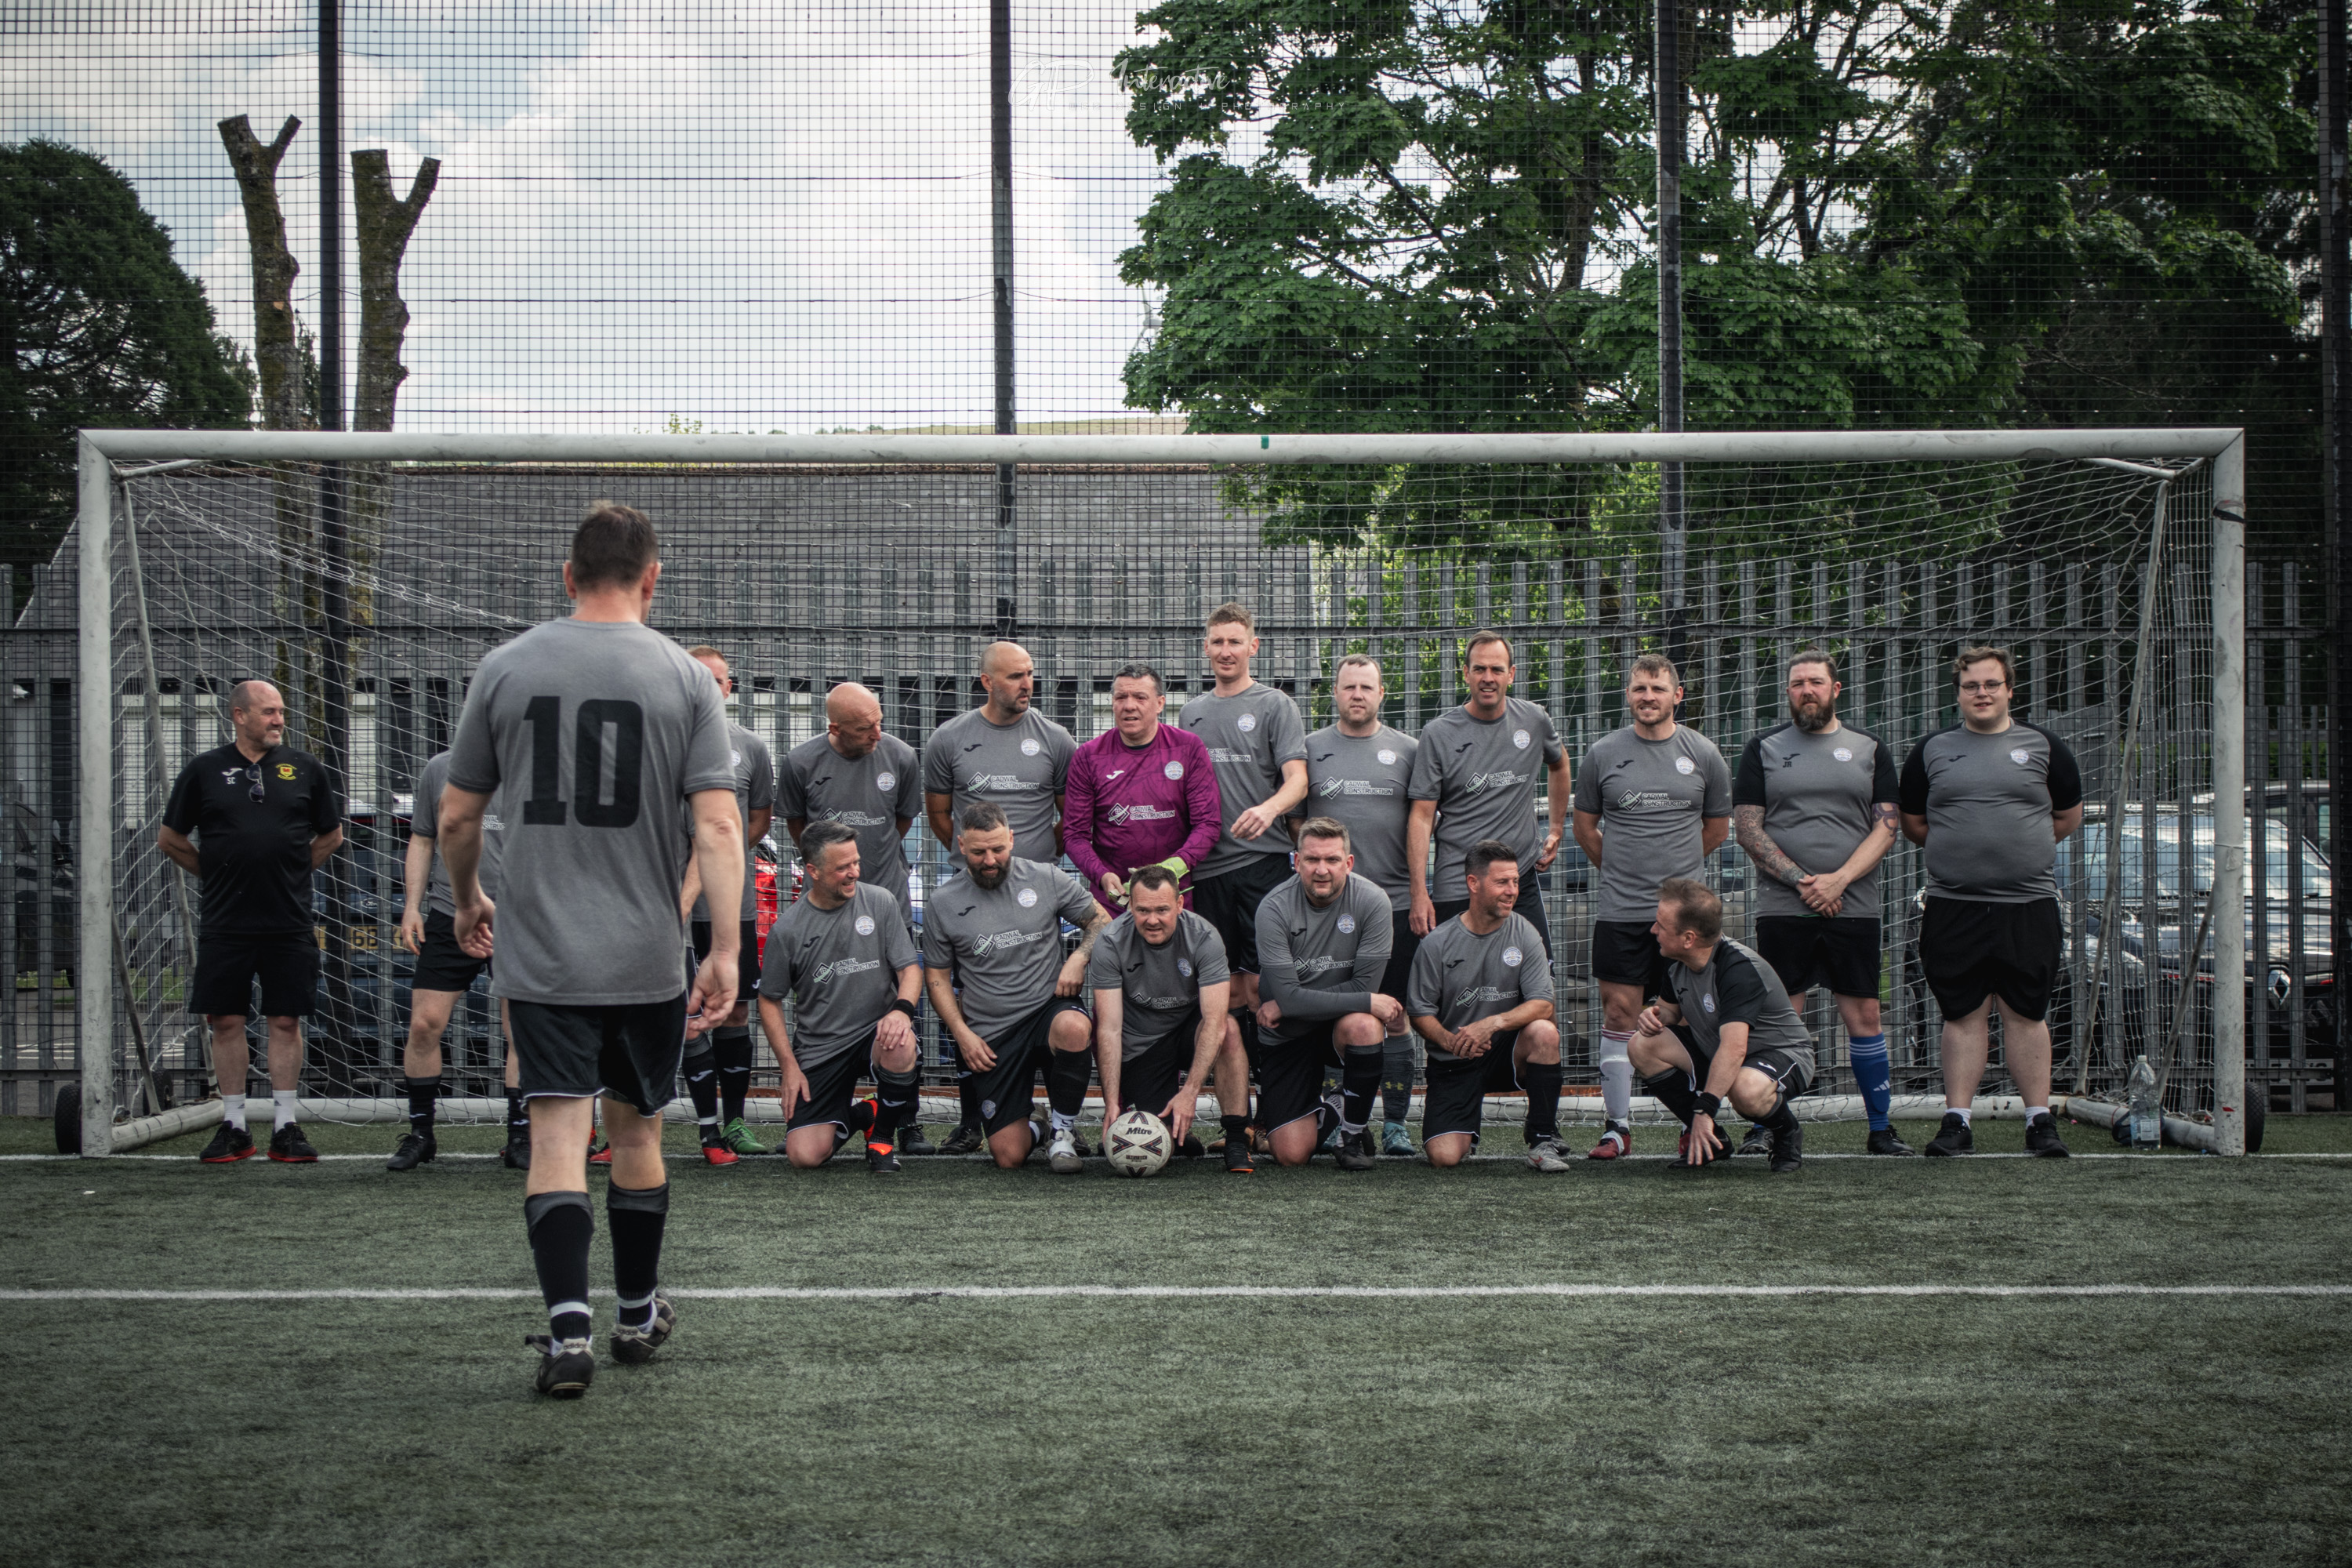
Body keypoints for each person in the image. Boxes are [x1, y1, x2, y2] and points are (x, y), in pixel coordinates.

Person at [438, 500, 743, 1399]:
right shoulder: (686, 677)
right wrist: (724, 948)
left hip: (542, 957)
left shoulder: (505, 665)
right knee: (639, 1133)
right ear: (654, 578)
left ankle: (568, 1334)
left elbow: (457, 812)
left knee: (557, 1138)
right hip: (648, 954)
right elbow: (720, 824)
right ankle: (639, 1313)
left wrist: (466, 900)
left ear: (567, 577)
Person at [1898, 646, 2085, 1158]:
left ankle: (2039, 1121)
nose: (1981, 693)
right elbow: (1915, 823)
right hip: (1953, 904)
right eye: (1971, 686)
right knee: (1962, 1012)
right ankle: (1957, 1122)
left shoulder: (2044, 746)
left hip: (2028, 904)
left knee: (2027, 1010)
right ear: (1957, 694)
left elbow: (2067, 817)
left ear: (2008, 689)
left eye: (1991, 684)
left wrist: (2019, 849)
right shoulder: (1932, 750)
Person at [1731, 648, 1908, 1156]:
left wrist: (1840, 881)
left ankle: (1880, 1128)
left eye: (1815, 682)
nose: (1806, 690)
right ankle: (1767, 1124)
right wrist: (1805, 881)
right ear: (1788, 693)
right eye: (1797, 683)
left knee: (1866, 1018)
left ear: (1835, 689)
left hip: (1854, 907)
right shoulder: (1762, 748)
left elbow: (1887, 825)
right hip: (1783, 909)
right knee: (1781, 1019)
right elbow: (1747, 828)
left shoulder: (1869, 748)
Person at [158, 679, 343, 1165]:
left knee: (285, 1019)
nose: (279, 720)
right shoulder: (204, 770)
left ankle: (286, 1126)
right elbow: (170, 838)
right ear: (239, 716)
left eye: (281, 711)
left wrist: (290, 871)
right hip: (226, 921)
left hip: (289, 920)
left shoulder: (306, 769)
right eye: (268, 712)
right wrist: (216, 873)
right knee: (226, 1020)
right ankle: (234, 1125)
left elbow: (331, 835)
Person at [1570, 653, 1732, 1161]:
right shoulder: (1602, 754)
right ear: (1628, 695)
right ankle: (1617, 1127)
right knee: (1620, 1013)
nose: (1648, 697)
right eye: (1639, 688)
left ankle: (1694, 1120)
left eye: (1658, 689)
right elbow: (1585, 827)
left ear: (1677, 696)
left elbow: (1717, 829)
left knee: (1687, 1020)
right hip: (1621, 911)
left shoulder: (1704, 754)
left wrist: (1677, 886)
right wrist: (1620, 870)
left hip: (1684, 921)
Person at [924, 641, 1076, 1153]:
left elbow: (1066, 817)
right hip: (975, 891)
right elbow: (940, 814)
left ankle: (1061, 1123)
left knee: (1045, 1000)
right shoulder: (950, 739)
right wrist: (975, 856)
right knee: (970, 1000)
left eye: (1030, 674)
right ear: (987, 681)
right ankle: (974, 1118)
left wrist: (1032, 861)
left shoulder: (1055, 740)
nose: (1026, 684)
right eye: (1014, 676)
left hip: (1033, 895)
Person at [779, 679, 928, 1150]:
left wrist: (868, 874)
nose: (877, 734)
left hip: (885, 898)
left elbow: (900, 823)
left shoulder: (901, 757)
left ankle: (906, 1121)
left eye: (880, 722)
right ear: (834, 728)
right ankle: (849, 1109)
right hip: (827, 904)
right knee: (834, 992)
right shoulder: (801, 763)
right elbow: (803, 832)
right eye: (866, 728)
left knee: (899, 1010)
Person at [921, 802, 1111, 1173]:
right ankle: (1038, 1125)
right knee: (1009, 1157)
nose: (990, 859)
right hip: (993, 1030)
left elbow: (1100, 920)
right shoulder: (943, 902)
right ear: (961, 845)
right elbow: (937, 978)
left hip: (1047, 1009)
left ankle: (1063, 1133)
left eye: (998, 848)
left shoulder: (1046, 877)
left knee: (1075, 1028)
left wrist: (1078, 958)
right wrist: (962, 1035)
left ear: (1012, 839)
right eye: (978, 852)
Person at [1174, 603, 1309, 1099]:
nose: (1226, 651)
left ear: (1253, 646)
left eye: (1235, 641)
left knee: (1263, 989)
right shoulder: (1192, 712)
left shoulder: (1275, 705)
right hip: (1207, 872)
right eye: (1217, 642)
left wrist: (1269, 809)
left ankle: (1277, 1104)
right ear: (1205, 648)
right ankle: (1237, 1109)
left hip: (1262, 867)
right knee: (1220, 990)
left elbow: (1298, 780)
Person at [1302, 654, 1421, 1155]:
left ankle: (1395, 1125)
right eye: (1348, 687)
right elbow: (1296, 821)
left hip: (1393, 904)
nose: (1357, 695)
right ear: (1335, 692)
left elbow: (1425, 822)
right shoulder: (1309, 749)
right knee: (1339, 1014)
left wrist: (1419, 893)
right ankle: (1339, 1118)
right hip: (1327, 910)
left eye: (1366, 687)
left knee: (1395, 1015)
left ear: (1381, 693)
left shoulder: (1410, 751)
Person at [758, 822, 924, 1174]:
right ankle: (866, 1112)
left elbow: (909, 969)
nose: (854, 873)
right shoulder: (787, 930)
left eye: (856, 863)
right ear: (813, 871)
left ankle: (881, 1140)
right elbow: (769, 1000)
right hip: (821, 1049)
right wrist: (789, 1065)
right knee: (804, 1156)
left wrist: (901, 1011)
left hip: (874, 1033)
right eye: (842, 867)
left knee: (900, 1042)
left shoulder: (880, 901)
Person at [388, 750, 524, 1171]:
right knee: (424, 1023)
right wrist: (411, 906)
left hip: (518, 916)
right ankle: (421, 1134)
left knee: (520, 1031)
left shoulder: (534, 765)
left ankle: (521, 1138)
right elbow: (423, 839)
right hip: (450, 912)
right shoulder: (441, 768)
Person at [1629, 878, 1815, 1174]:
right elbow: (1668, 1011)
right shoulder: (1678, 962)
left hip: (1783, 1056)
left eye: (1660, 926)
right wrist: (1653, 1017)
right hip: (1723, 1054)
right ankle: (1714, 1140)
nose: (1653, 931)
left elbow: (1734, 1048)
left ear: (1688, 938)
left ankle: (1786, 1132)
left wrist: (1705, 1109)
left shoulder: (1737, 969)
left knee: (1746, 1089)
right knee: (1642, 1044)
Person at [1406, 840, 1567, 1171]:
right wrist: (1450, 1040)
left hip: (1503, 1051)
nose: (1512, 891)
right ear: (1473, 883)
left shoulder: (1526, 933)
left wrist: (1492, 1024)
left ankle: (1542, 1139)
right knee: (1444, 1157)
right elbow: (1419, 1011)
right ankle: (1467, 1129)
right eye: (1502, 883)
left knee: (1544, 1033)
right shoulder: (1437, 943)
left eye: (1515, 882)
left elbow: (1542, 1003)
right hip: (1455, 1056)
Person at [677, 646, 775, 1164]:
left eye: (719, 681)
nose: (711, 689)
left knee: (734, 1009)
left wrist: (725, 860)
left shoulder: (750, 748)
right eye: (700, 680)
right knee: (679, 1012)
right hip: (666, 907)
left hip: (728, 907)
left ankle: (734, 1121)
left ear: (730, 688)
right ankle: (698, 1125)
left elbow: (755, 820)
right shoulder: (663, 743)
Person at [1253, 818, 1398, 1169]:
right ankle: (1336, 1104)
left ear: (1348, 863)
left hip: (1338, 1026)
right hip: (1286, 1036)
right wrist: (1362, 1000)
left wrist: (1294, 1002)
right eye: (1312, 860)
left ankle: (1352, 1137)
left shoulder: (1373, 901)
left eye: (1332, 860)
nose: (1322, 870)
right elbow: (1293, 998)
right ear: (1296, 861)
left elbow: (1360, 987)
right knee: (1291, 1156)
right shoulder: (1273, 909)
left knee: (1365, 1025)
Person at [1407, 631, 1569, 943]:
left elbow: (1560, 763)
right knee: (1461, 985)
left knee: (1534, 983)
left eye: (1497, 669)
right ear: (1466, 673)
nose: (1488, 678)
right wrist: (1418, 892)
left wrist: (1557, 828)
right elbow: (1421, 817)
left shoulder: (1533, 720)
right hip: (1460, 884)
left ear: (1511, 674)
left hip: (1518, 881)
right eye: (1479, 669)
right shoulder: (1438, 734)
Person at [1087, 863, 1250, 1168]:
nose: (1152, 920)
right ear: (1130, 907)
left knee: (1228, 1028)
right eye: (1142, 910)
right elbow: (1108, 1029)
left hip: (1191, 1030)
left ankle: (1237, 1140)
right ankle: (1177, 1134)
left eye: (1162, 910)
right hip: (1144, 1045)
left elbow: (1214, 1021)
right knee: (1151, 1143)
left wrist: (1190, 1093)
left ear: (1179, 904)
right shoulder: (1110, 942)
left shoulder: (1204, 937)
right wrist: (1111, 1102)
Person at [1063, 661, 1220, 914]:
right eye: (1121, 697)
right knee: (1108, 955)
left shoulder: (1188, 748)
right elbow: (1074, 835)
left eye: (1140, 697)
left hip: (1173, 896)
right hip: (1113, 900)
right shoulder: (1088, 757)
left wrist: (1174, 867)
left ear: (1160, 703)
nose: (1129, 706)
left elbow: (1208, 824)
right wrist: (1102, 876)